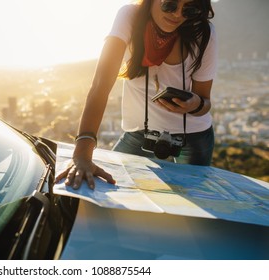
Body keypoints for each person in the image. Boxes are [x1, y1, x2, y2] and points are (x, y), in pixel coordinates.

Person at [56, 0, 217, 189]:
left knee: (192, 199)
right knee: (107, 187)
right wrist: (82, 155)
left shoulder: (203, 33)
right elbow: (101, 84)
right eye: (170, 5)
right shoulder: (130, 17)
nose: (178, 15)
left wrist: (194, 104)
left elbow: (204, 103)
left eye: (189, 9)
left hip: (193, 137)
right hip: (141, 132)